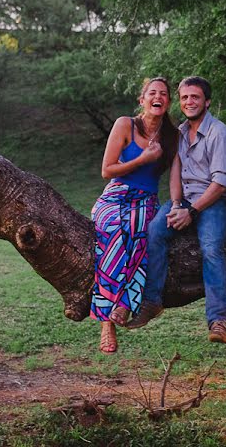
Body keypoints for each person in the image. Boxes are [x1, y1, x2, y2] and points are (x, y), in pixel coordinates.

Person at [127, 76, 226, 344]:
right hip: (185, 200)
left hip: (213, 201)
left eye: (195, 97)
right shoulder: (178, 133)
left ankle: (218, 320)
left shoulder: (220, 133)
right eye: (185, 97)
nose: (189, 102)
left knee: (211, 248)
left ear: (207, 102)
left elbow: (221, 183)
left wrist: (193, 212)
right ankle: (152, 302)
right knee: (154, 231)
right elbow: (175, 172)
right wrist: (177, 206)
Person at [90, 77, 178, 353]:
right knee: (112, 228)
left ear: (168, 103)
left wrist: (177, 204)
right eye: (152, 92)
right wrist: (142, 159)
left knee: (142, 232)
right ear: (142, 100)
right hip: (116, 193)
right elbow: (107, 170)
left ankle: (125, 305)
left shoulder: (172, 136)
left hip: (147, 199)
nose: (158, 97)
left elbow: (176, 175)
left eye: (163, 94)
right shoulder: (124, 124)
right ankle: (107, 320)